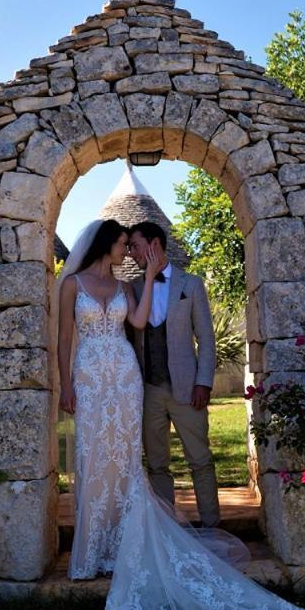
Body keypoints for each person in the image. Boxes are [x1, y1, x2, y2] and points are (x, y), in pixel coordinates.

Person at [57, 219, 305, 610]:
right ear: (108, 243)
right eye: (125, 245)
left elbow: (145, 324)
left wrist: (145, 278)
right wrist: (65, 384)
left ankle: (167, 534)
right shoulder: (74, 284)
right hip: (95, 378)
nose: (129, 252)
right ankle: (93, 550)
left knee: (135, 462)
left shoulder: (137, 286)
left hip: (128, 378)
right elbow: (63, 341)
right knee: (97, 460)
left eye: (135, 245)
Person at [126, 220, 220, 528]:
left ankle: (211, 527)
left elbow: (206, 338)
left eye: (135, 246)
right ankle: (167, 532)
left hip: (186, 388)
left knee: (200, 459)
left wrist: (203, 382)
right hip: (148, 389)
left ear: (154, 244)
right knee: (156, 464)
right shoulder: (133, 287)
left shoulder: (190, 285)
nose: (131, 254)